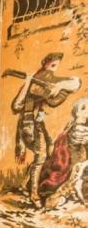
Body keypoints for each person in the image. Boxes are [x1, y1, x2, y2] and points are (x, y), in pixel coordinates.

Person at [12, 52, 81, 204]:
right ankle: (34, 195)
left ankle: (24, 185)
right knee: (41, 157)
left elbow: (76, 83)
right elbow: (16, 106)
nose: (53, 69)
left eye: (56, 65)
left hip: (37, 124)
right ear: (45, 64)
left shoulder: (48, 80)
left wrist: (59, 86)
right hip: (28, 124)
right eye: (52, 65)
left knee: (49, 149)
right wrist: (28, 83)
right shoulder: (38, 80)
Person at [39, 97, 88, 207]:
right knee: (77, 174)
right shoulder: (77, 128)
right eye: (83, 108)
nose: (87, 111)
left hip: (81, 159)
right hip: (74, 160)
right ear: (77, 113)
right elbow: (77, 146)